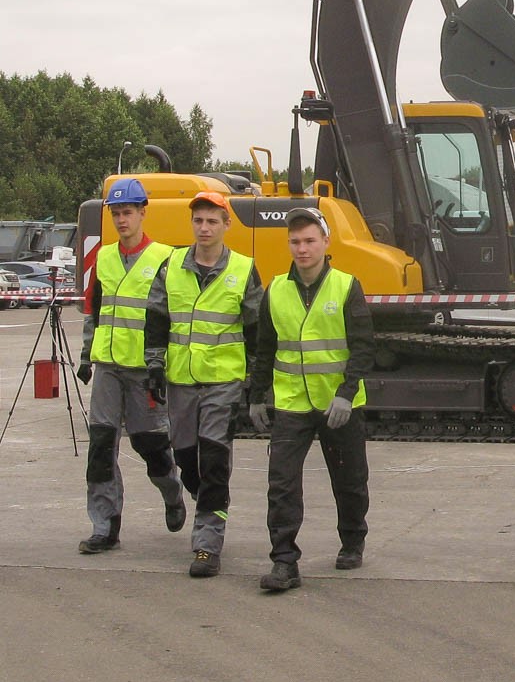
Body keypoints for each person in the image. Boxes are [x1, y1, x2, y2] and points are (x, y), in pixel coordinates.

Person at [249, 207, 375, 592]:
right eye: (295, 242)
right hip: (291, 404)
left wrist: (346, 393)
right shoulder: (276, 290)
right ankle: (284, 562)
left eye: (309, 241)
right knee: (282, 484)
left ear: (325, 243)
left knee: (350, 480)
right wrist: (256, 396)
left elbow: (363, 347)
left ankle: (352, 540)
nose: (302, 249)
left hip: (338, 406)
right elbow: (265, 349)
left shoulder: (346, 286)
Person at [144, 191, 262, 577]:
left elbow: (256, 330)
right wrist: (154, 365)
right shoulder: (172, 265)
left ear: (227, 225)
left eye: (212, 220)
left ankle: (207, 545)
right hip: (181, 380)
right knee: (186, 460)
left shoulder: (244, 270)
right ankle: (199, 495)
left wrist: (257, 382)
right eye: (198, 221)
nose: (205, 227)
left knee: (214, 462)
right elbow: (157, 318)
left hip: (223, 383)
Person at [75, 178, 186, 554]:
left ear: (142, 213)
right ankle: (105, 527)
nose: (122, 220)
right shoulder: (104, 257)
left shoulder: (166, 259)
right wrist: (86, 355)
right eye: (116, 213)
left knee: (151, 446)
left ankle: (172, 493)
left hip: (144, 371)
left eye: (127, 212)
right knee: (101, 448)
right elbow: (95, 310)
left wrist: (161, 366)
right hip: (107, 367)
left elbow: (170, 318)